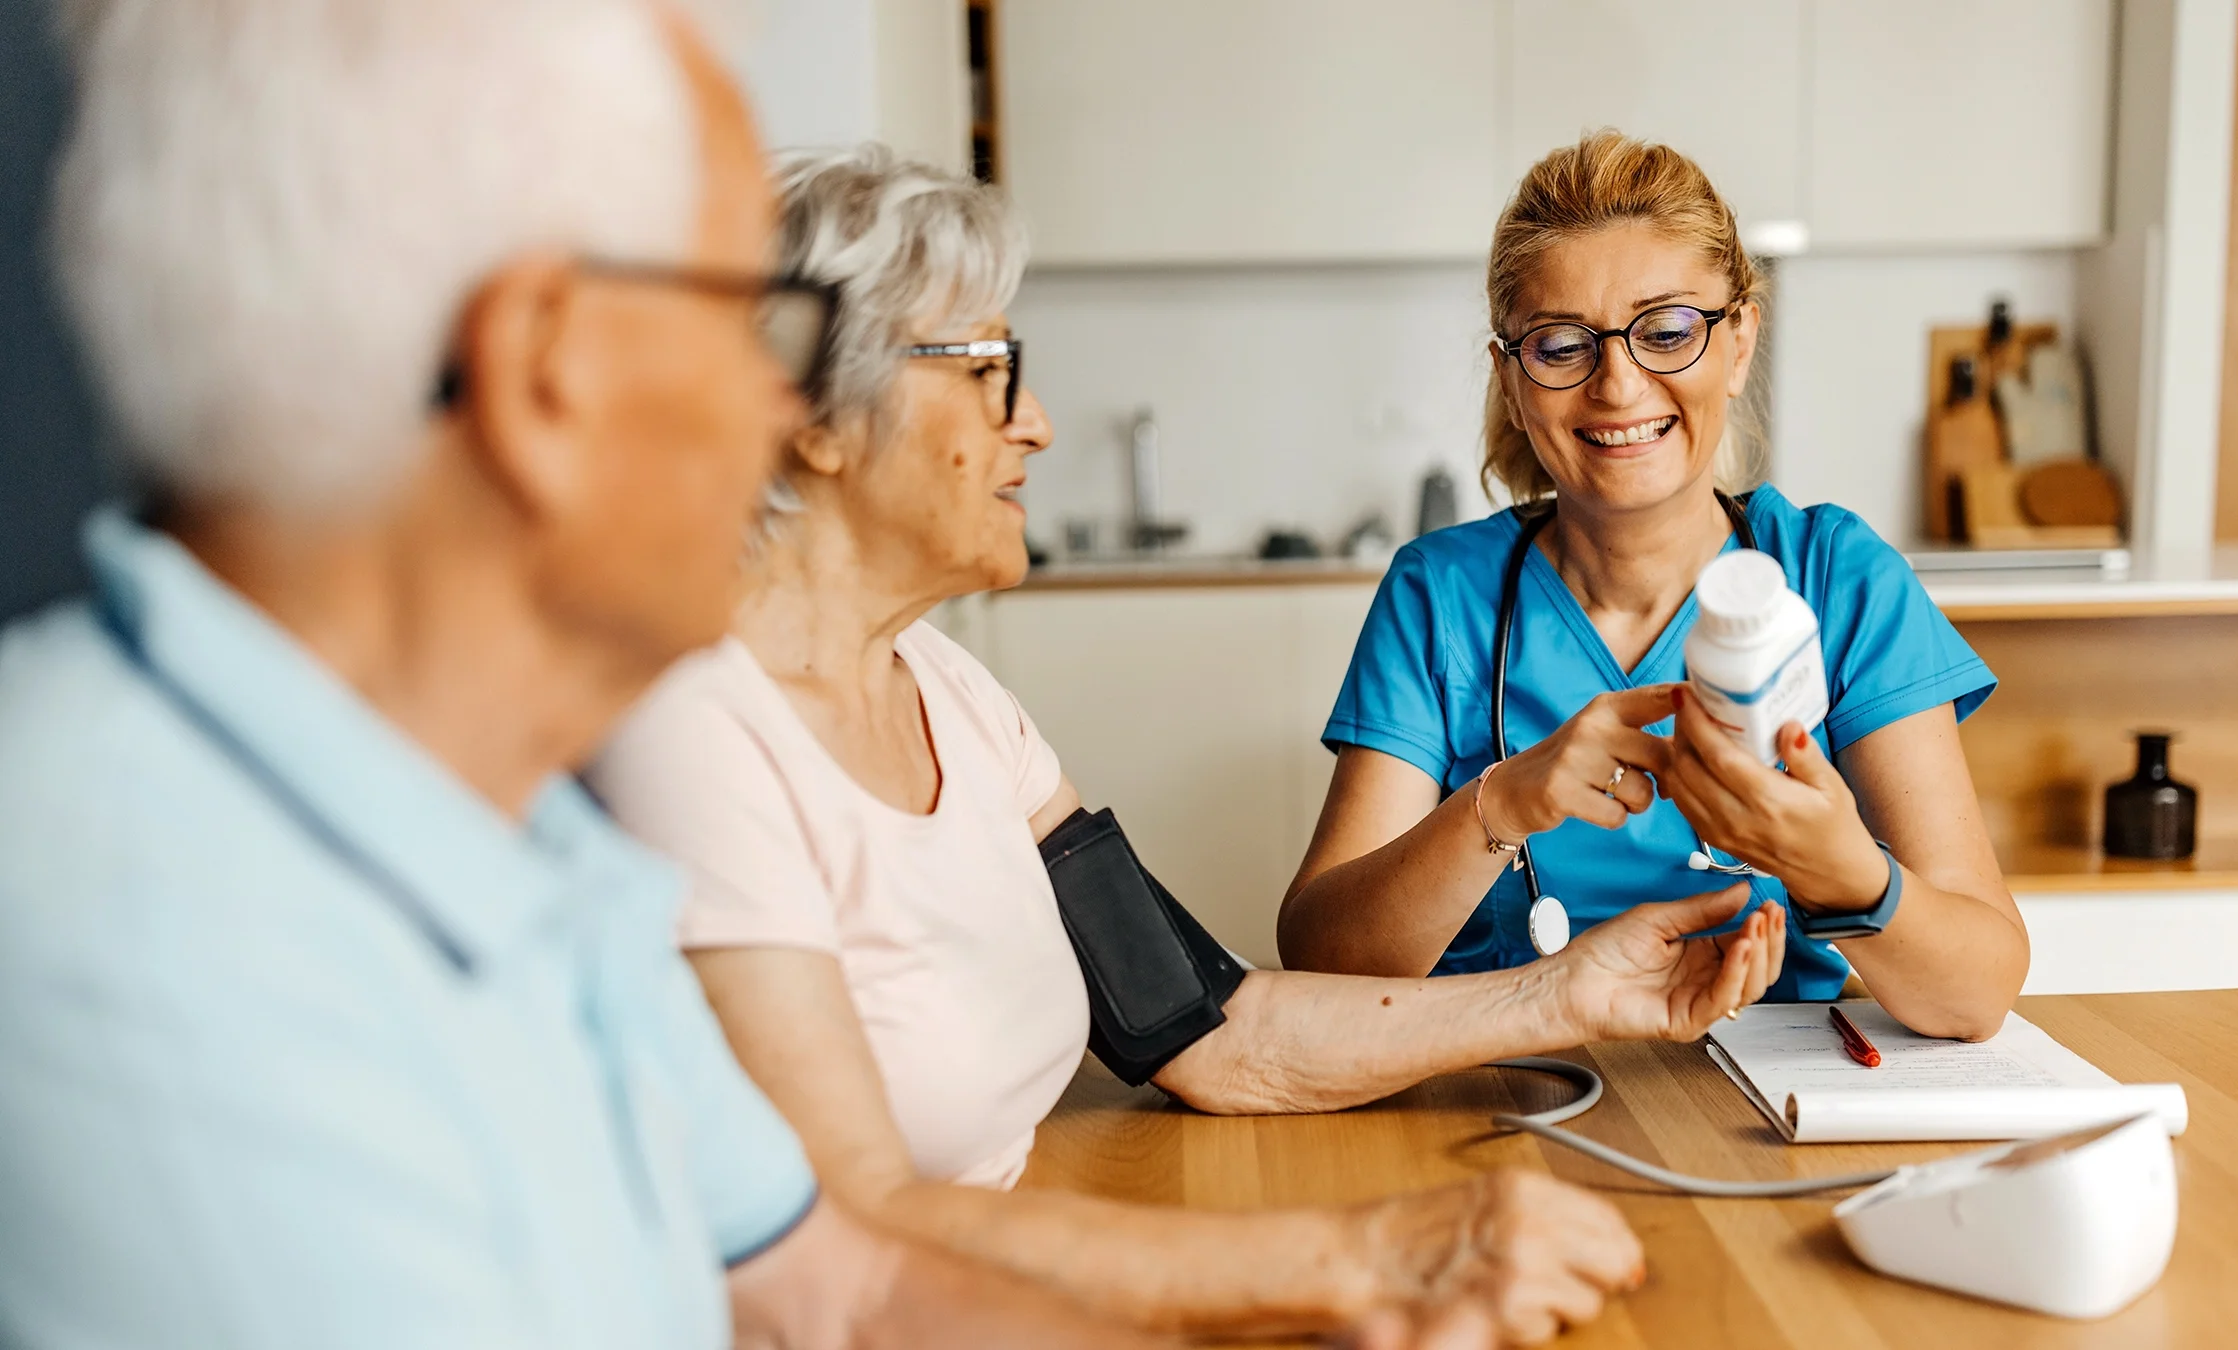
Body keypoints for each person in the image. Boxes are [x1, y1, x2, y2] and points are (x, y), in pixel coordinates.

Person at [0, 6, 1385, 1347]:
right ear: (547, 373)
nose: (790, 408)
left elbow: (837, 1288)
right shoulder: (132, 947)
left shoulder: (524, 829)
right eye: (765, 328)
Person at [586, 145, 1785, 1348]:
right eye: (989, 371)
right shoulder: (687, 730)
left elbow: (1212, 1030)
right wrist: (1360, 1259)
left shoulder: (951, 695)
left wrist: (1565, 994)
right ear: (812, 413)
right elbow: (854, 1240)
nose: (1038, 425)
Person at [1277, 130, 2030, 1042]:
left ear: (1739, 341)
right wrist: (1505, 801)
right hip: (1502, 1081)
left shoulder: (1838, 577)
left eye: (1667, 332)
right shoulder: (1440, 596)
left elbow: (1977, 994)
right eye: (1561, 347)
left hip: (1768, 1101)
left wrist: (1844, 873)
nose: (1620, 385)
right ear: (1513, 381)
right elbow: (1321, 961)